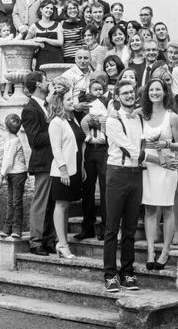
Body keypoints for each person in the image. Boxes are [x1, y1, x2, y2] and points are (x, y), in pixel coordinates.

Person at [103, 80, 160, 292]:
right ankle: (110, 275)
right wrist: (158, 160)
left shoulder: (138, 119)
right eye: (124, 93)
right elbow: (130, 149)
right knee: (112, 228)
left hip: (136, 175)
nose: (128, 96)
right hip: (117, 173)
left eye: (131, 93)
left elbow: (145, 141)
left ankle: (127, 273)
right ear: (117, 97)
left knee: (129, 228)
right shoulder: (113, 120)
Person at [141, 78, 178, 269]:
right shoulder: (142, 115)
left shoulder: (172, 116)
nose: (154, 92)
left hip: (167, 163)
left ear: (165, 92)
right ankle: (150, 251)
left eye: (158, 89)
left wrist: (166, 144)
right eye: (151, 90)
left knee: (167, 207)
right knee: (149, 208)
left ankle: (165, 251)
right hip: (148, 164)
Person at [47, 81, 85, 259]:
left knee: (67, 205)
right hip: (62, 171)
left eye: (73, 98)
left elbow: (78, 145)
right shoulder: (56, 122)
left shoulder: (72, 119)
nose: (72, 101)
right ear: (60, 102)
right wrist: (63, 170)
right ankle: (62, 244)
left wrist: (82, 167)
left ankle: (61, 241)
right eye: (69, 99)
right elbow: (56, 148)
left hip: (75, 168)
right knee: (61, 204)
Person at [21, 71, 56, 256]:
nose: (48, 82)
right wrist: (54, 127)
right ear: (38, 84)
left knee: (52, 202)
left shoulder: (46, 105)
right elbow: (35, 139)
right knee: (41, 202)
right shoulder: (29, 109)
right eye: (46, 80)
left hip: (54, 161)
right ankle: (36, 242)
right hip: (43, 162)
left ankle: (49, 239)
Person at [76, 79, 109, 241]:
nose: (98, 91)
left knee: (105, 188)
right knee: (87, 188)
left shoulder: (107, 102)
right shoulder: (86, 103)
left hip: (104, 149)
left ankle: (105, 227)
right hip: (89, 149)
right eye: (94, 89)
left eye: (100, 88)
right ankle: (87, 226)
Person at [0, 113, 27, 239]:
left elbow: (9, 160)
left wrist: (1, 175)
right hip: (12, 173)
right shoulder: (10, 140)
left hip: (18, 174)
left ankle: (17, 228)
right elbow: (6, 159)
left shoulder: (14, 141)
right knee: (10, 201)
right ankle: (7, 227)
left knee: (16, 201)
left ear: (6, 127)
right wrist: (4, 173)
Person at [26, 0, 64, 70]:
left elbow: (60, 42)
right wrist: (38, 44)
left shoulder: (58, 25)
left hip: (56, 57)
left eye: (51, 9)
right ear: (41, 9)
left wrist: (44, 39)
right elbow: (27, 42)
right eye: (47, 8)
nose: (49, 10)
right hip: (41, 58)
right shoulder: (34, 26)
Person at [0, 23, 14, 101]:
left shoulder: (9, 39)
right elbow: (4, 42)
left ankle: (5, 93)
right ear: (0, 33)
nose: (7, 32)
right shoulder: (0, 40)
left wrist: (21, 34)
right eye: (4, 31)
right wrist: (11, 37)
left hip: (7, 60)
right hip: (0, 61)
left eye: (8, 30)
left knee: (9, 77)